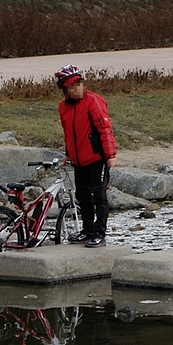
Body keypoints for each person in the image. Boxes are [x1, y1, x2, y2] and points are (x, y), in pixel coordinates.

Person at [55, 65, 118, 247]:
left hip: (97, 157)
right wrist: (68, 153)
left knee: (99, 195)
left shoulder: (93, 101)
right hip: (79, 159)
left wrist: (110, 155)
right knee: (83, 196)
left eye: (79, 84)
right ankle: (87, 230)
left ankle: (100, 233)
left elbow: (105, 129)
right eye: (72, 87)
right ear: (65, 90)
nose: (77, 89)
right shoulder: (63, 107)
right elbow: (69, 133)